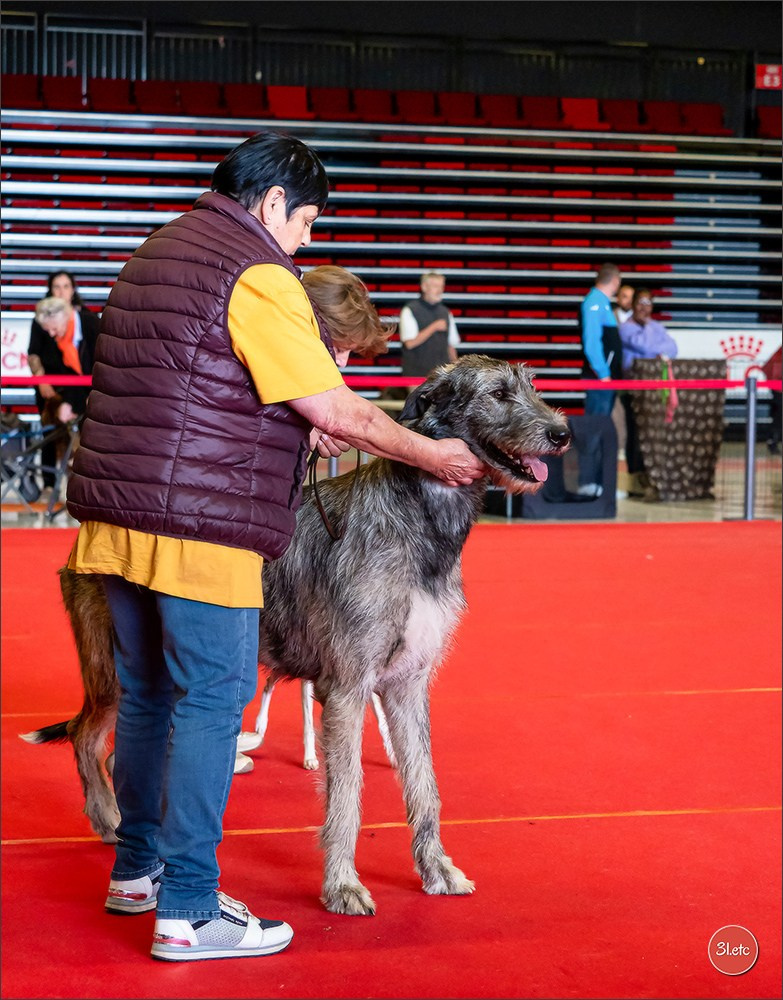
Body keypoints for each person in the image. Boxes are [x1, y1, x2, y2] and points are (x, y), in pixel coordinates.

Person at [64, 131, 486, 964]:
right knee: (214, 708)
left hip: (113, 520)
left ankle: (138, 871)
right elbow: (339, 410)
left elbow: (188, 382)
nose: (304, 243)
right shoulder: (257, 270)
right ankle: (189, 910)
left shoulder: (158, 249)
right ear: (270, 205)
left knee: (148, 701)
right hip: (199, 527)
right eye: (305, 223)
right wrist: (433, 452)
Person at [27, 294, 98, 492]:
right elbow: (73, 376)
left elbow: (105, 364)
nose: (50, 334)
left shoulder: (91, 325)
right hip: (86, 395)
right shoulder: (63, 340)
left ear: (62, 317)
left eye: (51, 327)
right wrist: (72, 403)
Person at [618, 288, 679, 498]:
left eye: (648, 303)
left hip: (655, 390)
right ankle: (635, 478)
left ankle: (652, 475)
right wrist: (657, 347)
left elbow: (672, 347)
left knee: (652, 432)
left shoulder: (656, 327)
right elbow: (642, 346)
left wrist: (658, 347)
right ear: (633, 305)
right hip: (632, 389)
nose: (644, 308)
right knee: (635, 432)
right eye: (641, 303)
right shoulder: (626, 328)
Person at [578, 262, 622, 498]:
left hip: (606, 380)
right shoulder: (594, 302)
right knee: (594, 430)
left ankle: (600, 484)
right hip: (600, 381)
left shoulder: (601, 303)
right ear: (615, 281)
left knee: (602, 430)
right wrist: (603, 373)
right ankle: (588, 482)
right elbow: (592, 341)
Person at [398, 270, 460, 379]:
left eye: (441, 286)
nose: (440, 290)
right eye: (436, 286)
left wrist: (456, 368)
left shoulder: (445, 312)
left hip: (441, 374)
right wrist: (434, 327)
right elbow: (410, 343)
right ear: (424, 287)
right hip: (416, 373)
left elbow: (451, 346)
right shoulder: (410, 309)